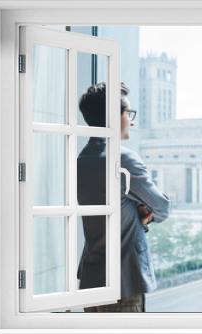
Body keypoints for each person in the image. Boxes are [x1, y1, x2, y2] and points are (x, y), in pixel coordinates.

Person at [77, 82, 170, 312]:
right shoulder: (123, 159)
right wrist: (144, 215)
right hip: (123, 282)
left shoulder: (81, 159)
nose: (132, 120)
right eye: (128, 113)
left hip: (91, 280)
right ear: (114, 116)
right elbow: (162, 208)